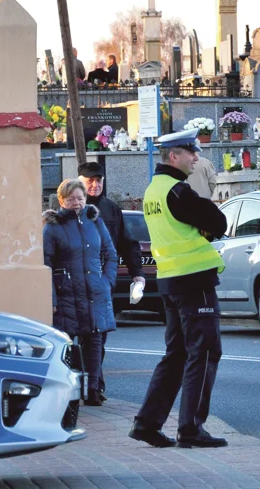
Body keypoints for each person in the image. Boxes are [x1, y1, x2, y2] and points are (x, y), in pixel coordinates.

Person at [129, 128, 229, 449]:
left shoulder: (153, 191)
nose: (196, 157)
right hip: (194, 280)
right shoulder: (178, 192)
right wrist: (205, 221)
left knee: (176, 355)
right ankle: (191, 428)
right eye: (190, 152)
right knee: (205, 351)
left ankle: (147, 423)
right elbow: (218, 222)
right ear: (174, 156)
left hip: (169, 282)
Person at [43, 179, 117, 406]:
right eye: (71, 199)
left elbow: (110, 254)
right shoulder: (52, 227)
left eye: (80, 198)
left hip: (95, 291)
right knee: (65, 344)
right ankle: (67, 392)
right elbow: (46, 263)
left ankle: (93, 390)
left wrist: (107, 282)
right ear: (61, 200)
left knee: (94, 342)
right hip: (66, 294)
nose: (77, 203)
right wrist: (52, 297)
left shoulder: (95, 221)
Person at [76, 162, 143, 401]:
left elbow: (126, 243)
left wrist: (137, 274)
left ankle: (95, 386)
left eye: (99, 180)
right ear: (80, 181)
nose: (95, 185)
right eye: (89, 181)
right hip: (74, 285)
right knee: (77, 337)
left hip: (103, 283)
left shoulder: (111, 209)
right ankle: (80, 386)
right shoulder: (70, 208)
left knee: (98, 336)